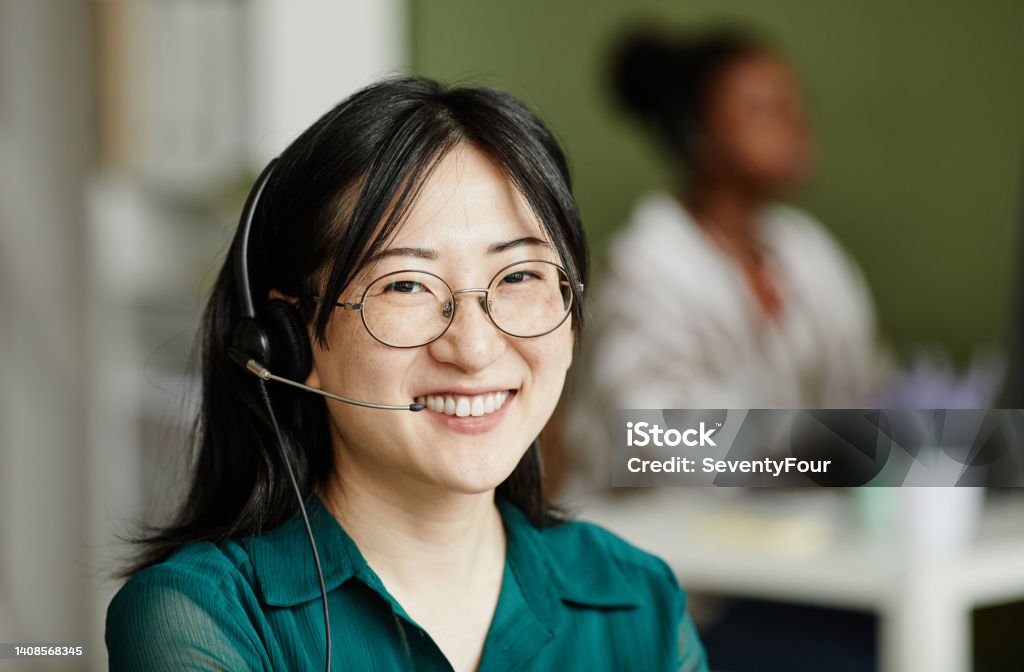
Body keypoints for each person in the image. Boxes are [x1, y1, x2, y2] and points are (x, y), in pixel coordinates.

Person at [104, 77, 709, 672]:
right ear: (291, 344)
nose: (473, 348)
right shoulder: (201, 617)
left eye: (520, 276)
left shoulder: (637, 599)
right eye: (405, 285)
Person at [564, 28, 886, 497]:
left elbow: (869, 389)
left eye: (795, 105)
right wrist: (811, 448)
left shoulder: (810, 252)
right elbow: (644, 437)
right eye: (763, 109)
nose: (794, 123)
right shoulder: (647, 264)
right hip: (652, 541)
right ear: (698, 133)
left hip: (785, 541)